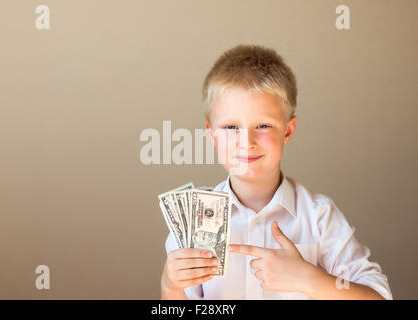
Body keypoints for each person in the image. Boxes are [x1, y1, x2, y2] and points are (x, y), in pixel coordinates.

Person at [160, 44, 392, 300]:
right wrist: (172, 288)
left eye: (262, 125)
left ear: (288, 131)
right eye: (230, 127)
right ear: (211, 135)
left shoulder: (319, 217)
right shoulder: (192, 224)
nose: (246, 141)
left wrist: (309, 279)